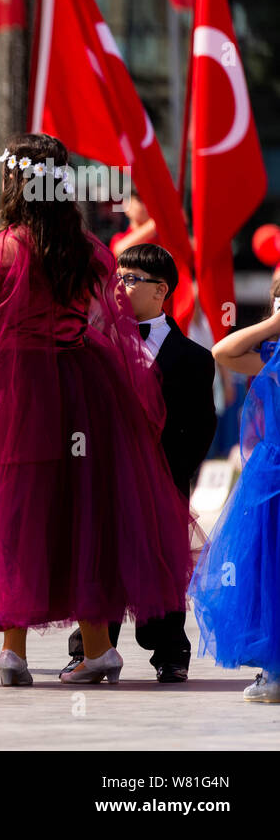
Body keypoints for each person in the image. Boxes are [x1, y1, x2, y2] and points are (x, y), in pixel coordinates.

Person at [0, 134, 197, 687]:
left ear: (14, 183)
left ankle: (14, 652)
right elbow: (105, 325)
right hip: (84, 389)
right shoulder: (91, 250)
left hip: (14, 390)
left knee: (11, 515)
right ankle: (99, 650)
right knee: (84, 515)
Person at [60, 244, 216, 683]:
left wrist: (172, 472)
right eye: (117, 280)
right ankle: (89, 648)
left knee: (162, 565)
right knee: (98, 560)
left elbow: (201, 425)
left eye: (130, 279)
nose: (120, 288)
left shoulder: (193, 358)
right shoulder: (96, 344)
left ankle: (170, 652)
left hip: (162, 479)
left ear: (161, 290)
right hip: (102, 476)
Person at [189, 284, 280, 702]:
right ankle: (275, 668)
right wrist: (275, 324)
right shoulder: (274, 356)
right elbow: (222, 352)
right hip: (272, 478)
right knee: (268, 572)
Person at [109, 193, 161, 257]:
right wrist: (158, 220)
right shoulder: (118, 238)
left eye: (149, 200)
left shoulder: (161, 238)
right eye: (140, 200)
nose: (146, 205)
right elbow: (120, 250)